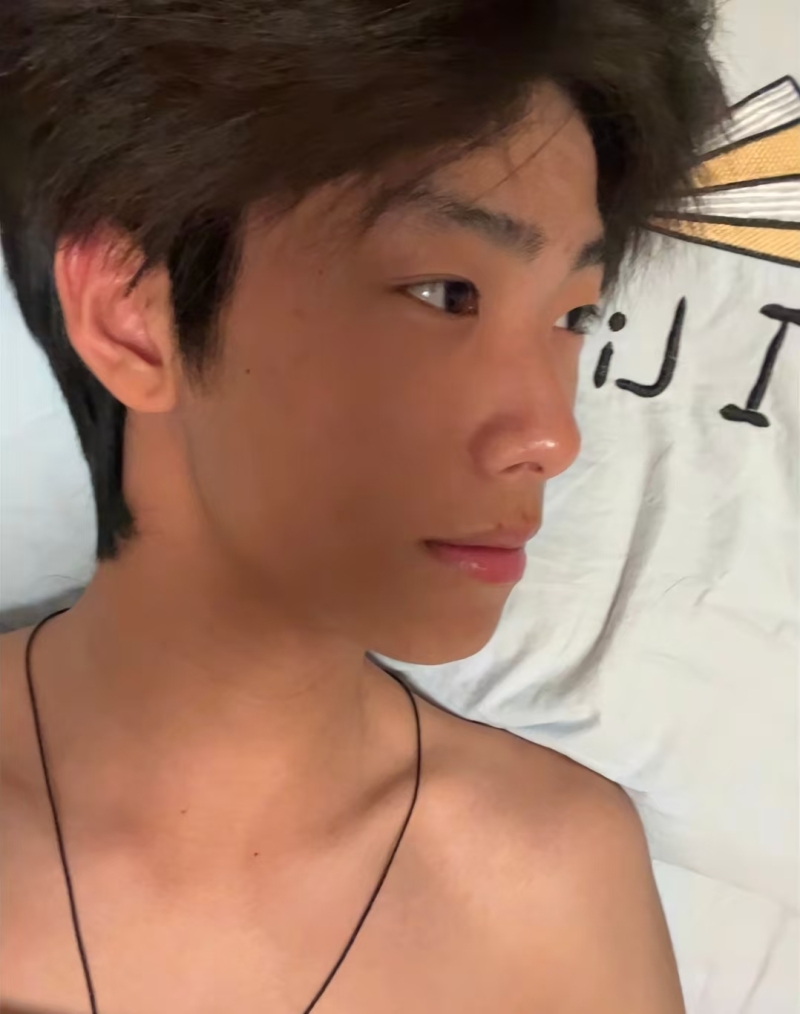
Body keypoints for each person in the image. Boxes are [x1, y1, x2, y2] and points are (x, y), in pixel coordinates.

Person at [0, 2, 725, 1011]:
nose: (552, 437)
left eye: (573, 316)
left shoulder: (551, 896)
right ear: (133, 312)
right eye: (447, 293)